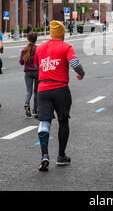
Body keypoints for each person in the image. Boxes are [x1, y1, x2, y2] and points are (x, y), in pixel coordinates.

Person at [34, 21, 85, 172]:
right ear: (62, 34)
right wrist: (81, 73)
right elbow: (74, 63)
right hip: (60, 88)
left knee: (44, 121)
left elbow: (38, 66)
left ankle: (44, 155)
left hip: (43, 89)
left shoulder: (41, 48)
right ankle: (61, 156)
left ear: (51, 33)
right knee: (63, 121)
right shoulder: (66, 47)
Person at [20, 32, 39, 118]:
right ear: (36, 39)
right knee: (36, 92)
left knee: (28, 91)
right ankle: (35, 110)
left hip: (27, 72)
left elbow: (21, 62)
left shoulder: (24, 49)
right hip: (37, 72)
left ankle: (27, 104)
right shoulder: (38, 49)